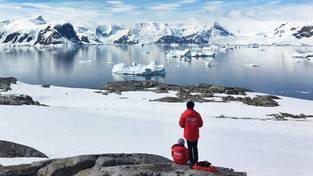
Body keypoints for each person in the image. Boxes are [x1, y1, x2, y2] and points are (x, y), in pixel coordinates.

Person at [179, 101, 203, 166]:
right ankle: (196, 161)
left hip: (188, 134)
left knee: (189, 148)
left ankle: (191, 161)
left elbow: (181, 124)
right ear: (193, 106)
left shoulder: (184, 114)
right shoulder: (197, 114)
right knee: (195, 148)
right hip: (195, 134)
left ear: (187, 106)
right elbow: (201, 124)